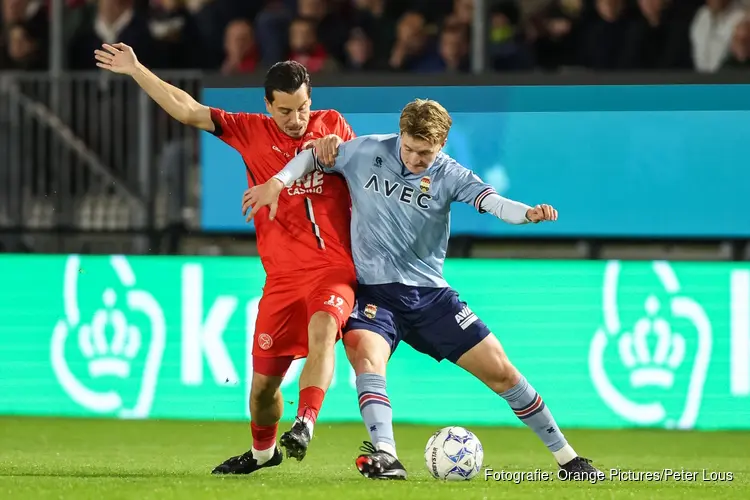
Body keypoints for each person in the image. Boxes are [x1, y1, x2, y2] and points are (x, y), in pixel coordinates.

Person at [242, 98, 606, 481]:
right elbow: (310, 159)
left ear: (443, 144)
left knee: (503, 373)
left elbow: (493, 202)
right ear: (400, 135)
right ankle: (386, 455)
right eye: (410, 149)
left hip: (430, 296)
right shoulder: (366, 151)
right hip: (374, 294)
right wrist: (280, 181)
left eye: (426, 153)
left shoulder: (451, 175)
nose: (416, 159)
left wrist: (526, 213)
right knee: (367, 360)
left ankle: (568, 459)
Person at [94, 43, 358, 473]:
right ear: (268, 106)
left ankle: (305, 423)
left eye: (303, 108)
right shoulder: (249, 130)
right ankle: (262, 455)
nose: (297, 120)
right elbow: (187, 109)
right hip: (281, 281)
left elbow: (364, 165)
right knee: (261, 393)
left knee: (323, 332)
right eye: (286, 111)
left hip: (333, 268)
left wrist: (337, 146)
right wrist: (137, 70)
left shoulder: (332, 126)